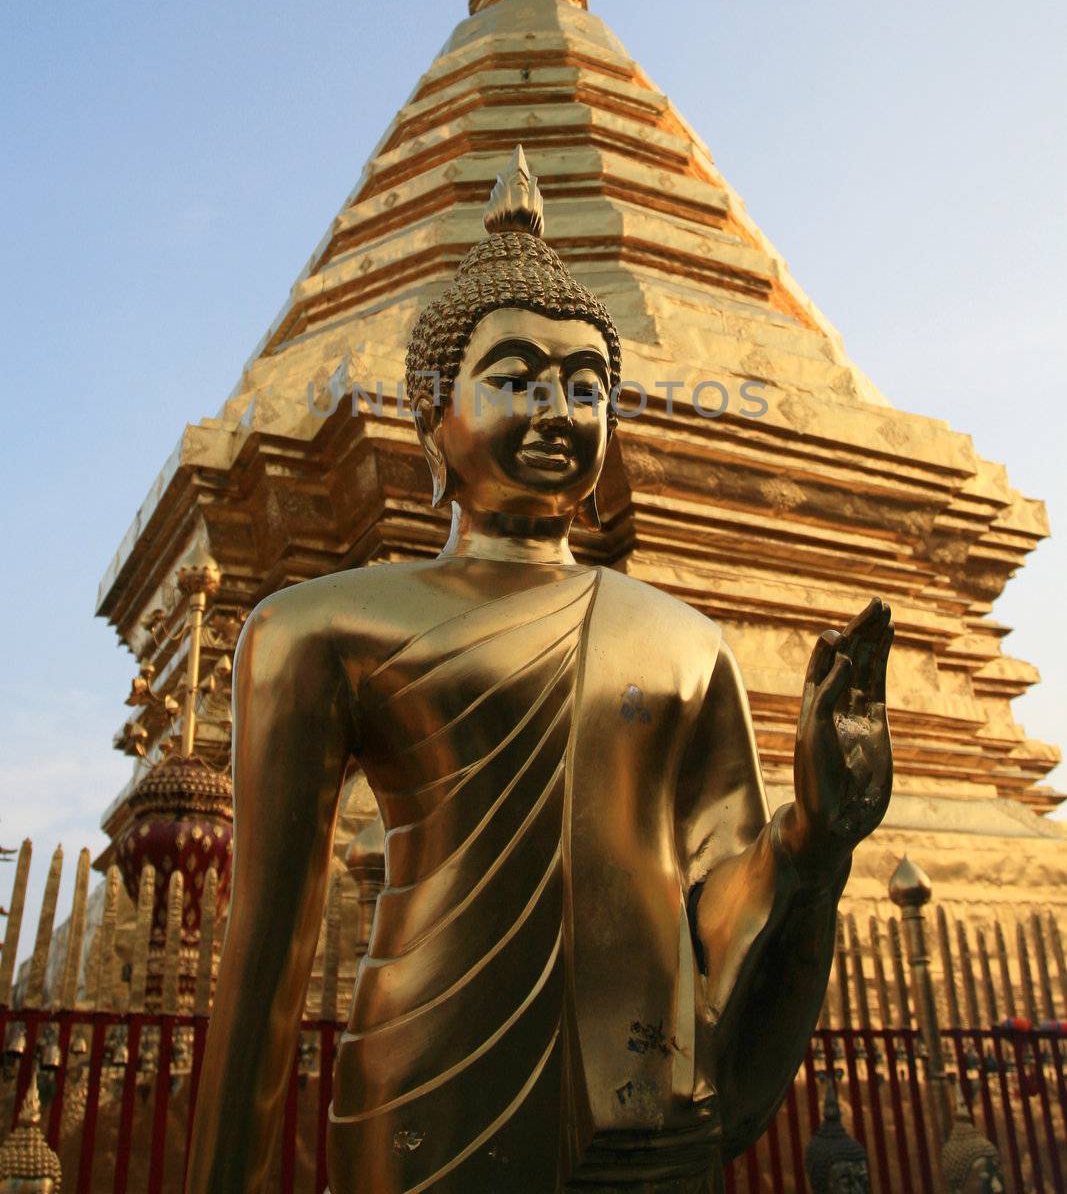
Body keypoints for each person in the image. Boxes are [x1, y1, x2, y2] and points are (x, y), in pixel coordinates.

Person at [185, 149, 894, 1194]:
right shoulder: (319, 625)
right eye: (514, 376)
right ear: (433, 411)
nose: (558, 409)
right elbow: (266, 949)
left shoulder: (682, 638)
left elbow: (718, 902)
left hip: (646, 1093)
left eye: (585, 384)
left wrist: (812, 832)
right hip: (429, 1088)